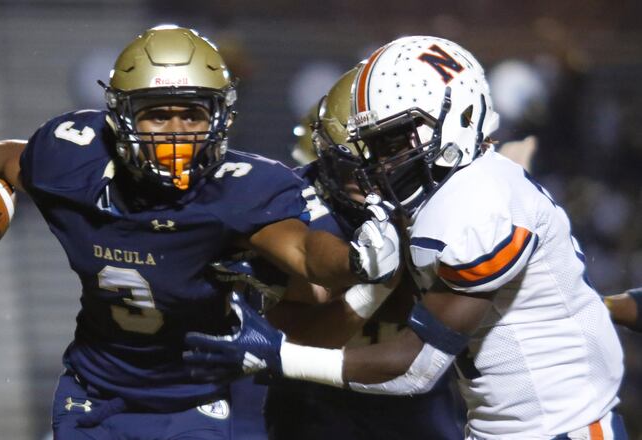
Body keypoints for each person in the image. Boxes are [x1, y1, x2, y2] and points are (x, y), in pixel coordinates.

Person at [0, 26, 398, 439]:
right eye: (157, 115)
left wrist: (358, 260)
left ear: (220, 116)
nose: (175, 132)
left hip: (200, 399)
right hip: (96, 392)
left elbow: (310, 257)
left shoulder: (240, 189)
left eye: (191, 114)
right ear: (121, 117)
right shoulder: (70, 159)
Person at [185, 36, 627, 439]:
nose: (380, 163)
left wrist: (282, 356)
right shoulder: (460, 190)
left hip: (557, 429)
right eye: (375, 146)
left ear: (461, 113)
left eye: (395, 140)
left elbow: (415, 369)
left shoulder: (476, 203)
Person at [221, 66, 465, 440]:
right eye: (353, 168)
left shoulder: (449, 202)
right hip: (316, 401)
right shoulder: (300, 213)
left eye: (381, 162)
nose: (369, 184)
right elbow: (285, 338)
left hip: (416, 399)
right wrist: (373, 287)